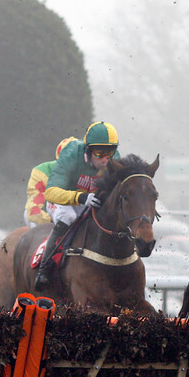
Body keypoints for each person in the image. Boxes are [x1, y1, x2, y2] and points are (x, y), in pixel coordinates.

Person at [33, 122, 121, 291]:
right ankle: (44, 269)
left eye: (110, 152)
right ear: (88, 150)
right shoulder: (72, 153)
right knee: (69, 217)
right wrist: (80, 197)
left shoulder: (114, 160)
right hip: (61, 200)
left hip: (89, 199)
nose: (105, 159)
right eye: (100, 153)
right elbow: (51, 192)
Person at [23, 136, 79, 228]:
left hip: (66, 211)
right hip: (39, 214)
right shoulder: (41, 172)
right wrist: (52, 222)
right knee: (67, 216)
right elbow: (34, 211)